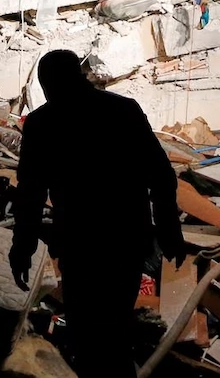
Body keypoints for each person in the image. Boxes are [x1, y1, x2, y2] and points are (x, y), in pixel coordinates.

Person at [10, 50, 186, 378]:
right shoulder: (122, 110)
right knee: (115, 330)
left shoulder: (42, 123)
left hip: (82, 248)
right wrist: (169, 232)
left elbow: (30, 194)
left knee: (88, 338)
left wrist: (23, 248)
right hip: (126, 243)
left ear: (47, 85)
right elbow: (161, 175)